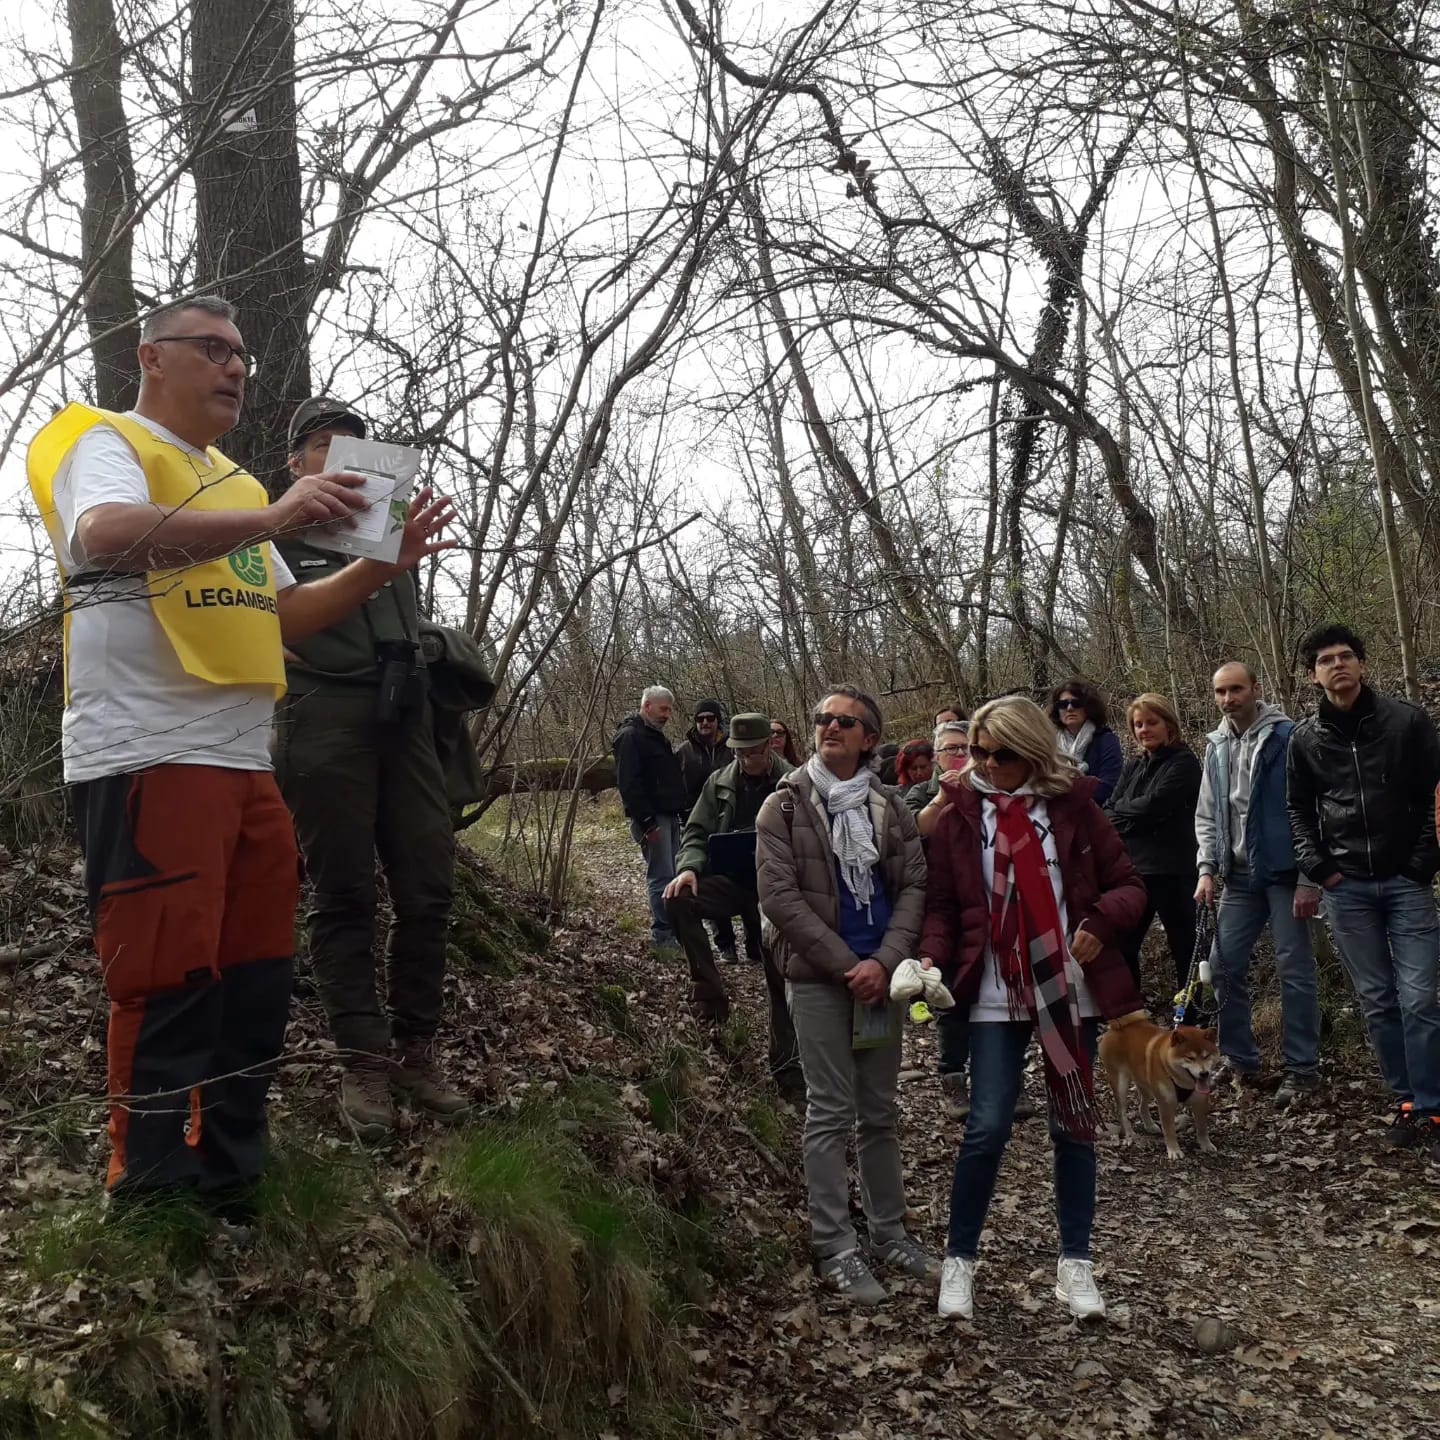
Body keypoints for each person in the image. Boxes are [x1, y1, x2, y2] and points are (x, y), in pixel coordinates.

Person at [25, 295, 453, 1210]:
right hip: (146, 751)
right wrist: (276, 516)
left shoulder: (235, 483)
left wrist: (382, 565)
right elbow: (102, 534)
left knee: (255, 979)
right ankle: (150, 1193)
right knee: (164, 975)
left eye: (241, 355)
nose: (234, 368)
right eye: (213, 349)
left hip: (244, 761)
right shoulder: (101, 437)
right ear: (151, 356)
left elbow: (287, 616)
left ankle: (229, 1178)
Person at [272, 397, 467, 1143]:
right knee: (344, 892)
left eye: (355, 447)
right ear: (296, 463)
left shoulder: (392, 529)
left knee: (428, 888)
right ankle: (363, 1062)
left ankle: (417, 1050)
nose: (340, 458)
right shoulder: (273, 533)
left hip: (404, 716)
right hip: (323, 720)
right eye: (323, 446)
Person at [918, 695, 1145, 1322]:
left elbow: (1128, 885)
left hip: (1068, 987)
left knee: (1073, 1124)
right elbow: (940, 904)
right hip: (992, 990)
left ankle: (1076, 1265)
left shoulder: (1074, 806)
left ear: (1034, 753)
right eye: (980, 753)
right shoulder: (962, 813)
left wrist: (1099, 920)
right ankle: (959, 1262)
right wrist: (933, 959)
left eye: (1002, 755)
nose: (986, 766)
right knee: (987, 1123)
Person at [756, 685, 934, 1304]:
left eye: (844, 721)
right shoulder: (781, 807)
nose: (829, 727)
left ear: (869, 737)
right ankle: (835, 1244)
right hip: (820, 981)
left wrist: (884, 962)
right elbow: (779, 899)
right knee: (829, 1110)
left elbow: (913, 886)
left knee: (879, 1112)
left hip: (882, 979)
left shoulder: (889, 805)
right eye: (822, 719)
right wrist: (846, 967)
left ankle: (889, 1232)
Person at [1287, 624, 1440, 1167]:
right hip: (1346, 888)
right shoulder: (1304, 739)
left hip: (1406, 882)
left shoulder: (1406, 722)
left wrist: (1422, 863)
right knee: (1377, 1000)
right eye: (1326, 659)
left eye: (1346, 656)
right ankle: (1405, 1100)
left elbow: (1432, 795)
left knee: (1420, 997)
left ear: (1363, 664)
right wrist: (1320, 867)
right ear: (1314, 674)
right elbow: (1299, 811)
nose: (1338, 665)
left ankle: (1432, 1105)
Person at [1196, 663, 1321, 1104]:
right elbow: (1209, 814)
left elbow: (1313, 809)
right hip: (1240, 877)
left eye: (1236, 689)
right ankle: (1239, 1057)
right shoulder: (1215, 746)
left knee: (1295, 969)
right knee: (1222, 965)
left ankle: (1303, 1068)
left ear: (1255, 689)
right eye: (1220, 692)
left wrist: (1310, 877)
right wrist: (1206, 868)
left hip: (1287, 874)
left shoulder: (1288, 738)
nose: (1228, 699)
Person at [663, 713, 801, 1097]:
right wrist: (689, 868)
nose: (746, 760)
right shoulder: (719, 782)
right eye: (740, 753)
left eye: (754, 752)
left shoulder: (794, 783)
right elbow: (695, 831)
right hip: (731, 881)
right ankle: (710, 998)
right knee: (679, 900)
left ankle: (787, 1068)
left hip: (778, 889)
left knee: (777, 966)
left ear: (769, 747)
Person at [1105, 693, 1201, 996]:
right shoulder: (1134, 765)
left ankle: (1190, 1018)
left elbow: (1155, 805)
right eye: (1138, 724)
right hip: (1135, 872)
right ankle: (1132, 1018)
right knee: (1123, 945)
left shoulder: (1184, 763)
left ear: (1168, 724)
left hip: (1174, 871)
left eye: (1151, 722)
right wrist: (1131, 813)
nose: (1144, 729)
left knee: (1186, 947)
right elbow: (1108, 810)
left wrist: (1127, 812)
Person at [612, 686, 688, 948]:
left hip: (669, 816)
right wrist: (646, 822)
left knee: (675, 874)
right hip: (653, 819)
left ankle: (675, 930)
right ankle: (662, 935)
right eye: (663, 708)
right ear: (647, 706)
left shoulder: (656, 737)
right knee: (661, 876)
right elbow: (629, 784)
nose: (667, 714)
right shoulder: (630, 736)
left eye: (669, 709)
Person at [675, 699, 739, 961]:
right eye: (700, 718)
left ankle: (755, 941)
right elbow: (674, 785)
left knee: (739, 878)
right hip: (696, 821)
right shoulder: (684, 752)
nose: (704, 723)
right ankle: (725, 944)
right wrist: (682, 815)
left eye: (709, 718)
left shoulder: (732, 749)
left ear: (717, 721)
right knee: (705, 877)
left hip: (731, 822)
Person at [1049, 679, 1122, 805]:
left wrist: (1063, 791)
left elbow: (1108, 788)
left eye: (1076, 703)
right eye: (1063, 704)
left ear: (1088, 706)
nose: (1069, 708)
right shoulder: (1050, 743)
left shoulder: (1106, 740)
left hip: (1095, 814)